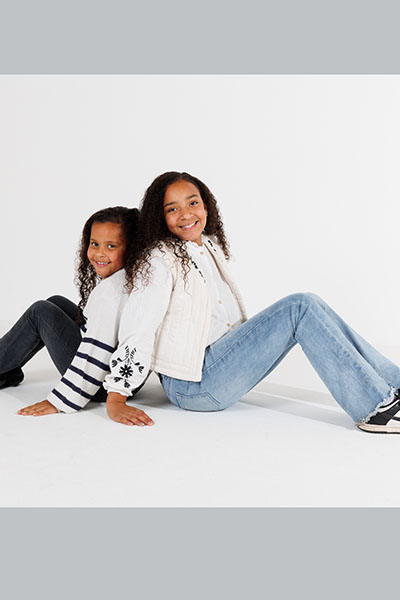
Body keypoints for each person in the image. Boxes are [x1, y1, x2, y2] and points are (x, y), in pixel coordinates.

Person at [103, 172, 400, 433]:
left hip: (219, 365)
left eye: (193, 203)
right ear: (159, 217)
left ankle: (393, 385)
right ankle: (375, 410)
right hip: (193, 386)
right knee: (300, 307)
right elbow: (139, 327)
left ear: (206, 206)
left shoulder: (207, 246)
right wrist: (116, 397)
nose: (186, 214)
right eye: (172, 209)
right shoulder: (159, 260)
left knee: (312, 305)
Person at [0, 205, 151, 421]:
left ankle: (4, 366)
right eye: (95, 244)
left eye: (111, 246)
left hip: (101, 384)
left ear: (132, 248)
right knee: (56, 302)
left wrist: (60, 401)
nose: (100, 253)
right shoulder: (134, 277)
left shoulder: (110, 294)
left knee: (40, 312)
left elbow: (98, 348)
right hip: (124, 377)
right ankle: (9, 370)